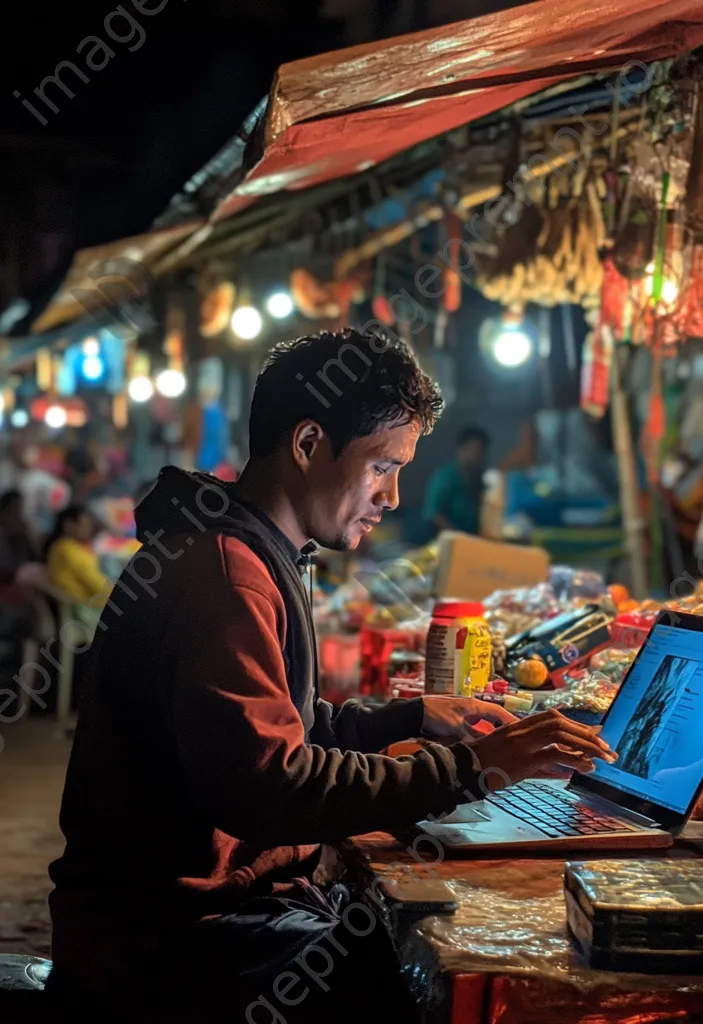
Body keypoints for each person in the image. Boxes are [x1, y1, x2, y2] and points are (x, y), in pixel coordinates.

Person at [47, 330, 613, 1023]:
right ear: (310, 444)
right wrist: (470, 769)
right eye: (382, 467)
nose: (394, 496)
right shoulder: (225, 576)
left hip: (207, 919)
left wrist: (413, 719)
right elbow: (267, 786)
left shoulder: (249, 550)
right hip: (172, 944)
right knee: (434, 970)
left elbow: (289, 729)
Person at [423, 425, 490, 535]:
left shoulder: (478, 480)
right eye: (474, 450)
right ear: (462, 448)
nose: (477, 456)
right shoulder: (446, 476)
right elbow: (432, 512)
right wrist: (455, 535)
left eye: (481, 452)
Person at [43, 504, 111, 604]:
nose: (89, 529)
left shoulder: (60, 547)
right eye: (85, 524)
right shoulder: (67, 549)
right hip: (87, 609)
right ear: (69, 525)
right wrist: (121, 597)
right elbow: (95, 583)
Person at [0, 489, 39, 580]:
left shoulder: (23, 525)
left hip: (21, 571)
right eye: (13, 508)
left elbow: (33, 554)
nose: (17, 511)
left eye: (19, 508)